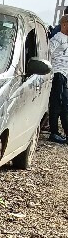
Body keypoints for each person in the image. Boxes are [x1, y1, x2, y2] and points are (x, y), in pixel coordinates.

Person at [47, 11, 68, 144]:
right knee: (57, 104)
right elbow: (47, 52)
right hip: (57, 74)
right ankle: (54, 133)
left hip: (64, 76)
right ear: (65, 24)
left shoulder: (65, 38)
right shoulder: (57, 38)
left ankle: (61, 132)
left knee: (64, 104)